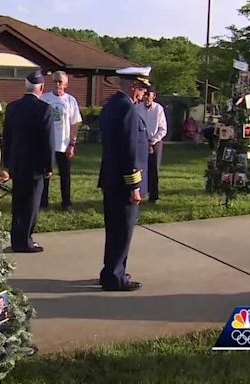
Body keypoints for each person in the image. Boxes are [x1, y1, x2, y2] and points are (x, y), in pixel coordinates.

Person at [98, 66, 151, 292]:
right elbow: (129, 150)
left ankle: (112, 270)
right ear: (133, 86)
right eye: (141, 89)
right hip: (122, 182)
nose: (143, 94)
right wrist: (134, 185)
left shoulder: (111, 105)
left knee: (115, 229)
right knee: (122, 230)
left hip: (110, 177)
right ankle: (115, 277)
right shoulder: (127, 108)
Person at [3, 69, 55, 253]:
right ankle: (25, 240)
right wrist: (49, 165)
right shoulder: (44, 109)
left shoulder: (12, 107)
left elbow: (7, 137)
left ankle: (17, 238)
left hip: (17, 163)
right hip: (35, 164)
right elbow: (48, 140)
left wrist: (7, 162)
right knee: (32, 204)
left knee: (18, 203)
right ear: (41, 87)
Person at [40, 71, 82, 212]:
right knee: (45, 174)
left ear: (66, 84)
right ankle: (43, 202)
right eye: (55, 81)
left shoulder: (70, 100)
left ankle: (66, 203)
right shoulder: (44, 99)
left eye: (60, 82)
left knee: (65, 174)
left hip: (63, 144)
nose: (57, 84)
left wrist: (72, 143)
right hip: (47, 143)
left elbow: (74, 123)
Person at [136, 85, 167, 204]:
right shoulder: (137, 108)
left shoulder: (158, 109)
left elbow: (163, 129)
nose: (146, 97)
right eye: (145, 95)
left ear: (154, 96)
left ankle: (153, 197)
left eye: (149, 95)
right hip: (141, 141)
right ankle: (140, 193)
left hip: (155, 142)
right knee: (139, 168)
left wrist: (152, 142)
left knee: (153, 169)